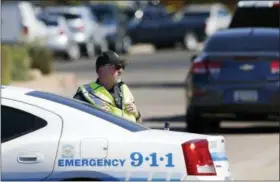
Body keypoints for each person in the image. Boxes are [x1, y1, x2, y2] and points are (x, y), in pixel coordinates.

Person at [73, 51, 142, 123]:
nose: (121, 70)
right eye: (117, 67)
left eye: (122, 66)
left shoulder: (123, 88)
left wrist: (137, 114)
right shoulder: (85, 93)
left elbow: (139, 123)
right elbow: (75, 121)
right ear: (101, 69)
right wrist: (95, 116)